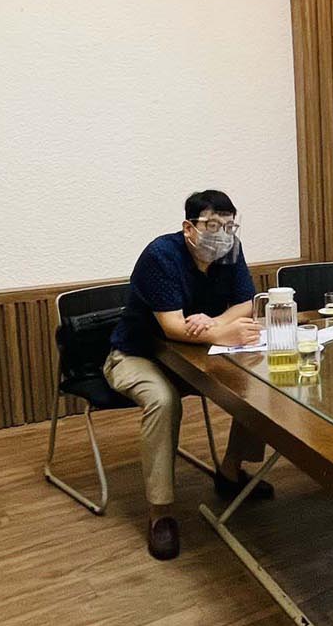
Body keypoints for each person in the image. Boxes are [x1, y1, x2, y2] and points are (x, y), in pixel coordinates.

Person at [105, 189, 268, 561]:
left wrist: (215, 323)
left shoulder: (231, 250)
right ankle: (161, 512)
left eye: (229, 227)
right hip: (139, 354)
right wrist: (221, 332)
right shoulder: (161, 255)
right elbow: (172, 326)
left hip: (195, 355)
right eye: (213, 226)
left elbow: (245, 302)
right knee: (163, 401)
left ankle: (231, 472)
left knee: (257, 380)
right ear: (189, 228)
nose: (222, 235)